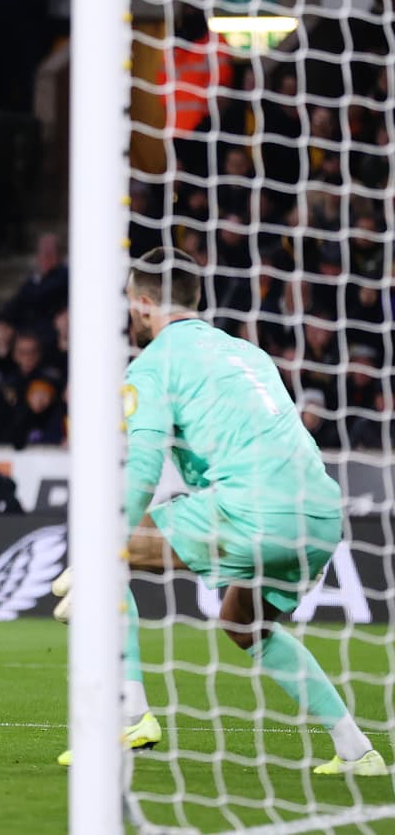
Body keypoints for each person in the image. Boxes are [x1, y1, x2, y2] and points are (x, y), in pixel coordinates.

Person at [55, 247, 383, 776]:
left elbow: (141, 469)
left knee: (106, 550)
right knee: (244, 625)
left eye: (130, 306)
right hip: (319, 514)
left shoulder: (155, 363)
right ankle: (355, 750)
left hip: (250, 508)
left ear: (143, 304)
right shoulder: (247, 354)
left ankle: (129, 713)